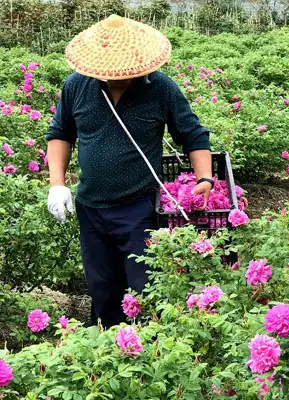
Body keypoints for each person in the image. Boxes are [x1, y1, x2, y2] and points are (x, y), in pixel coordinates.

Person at [46, 15, 214, 328]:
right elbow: (60, 134)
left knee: (144, 290)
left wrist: (204, 178)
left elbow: (193, 135)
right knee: (102, 289)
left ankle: (148, 354)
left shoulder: (161, 89)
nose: (118, 77)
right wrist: (57, 184)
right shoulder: (76, 86)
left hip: (140, 208)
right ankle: (108, 352)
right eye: (109, 72)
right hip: (91, 208)